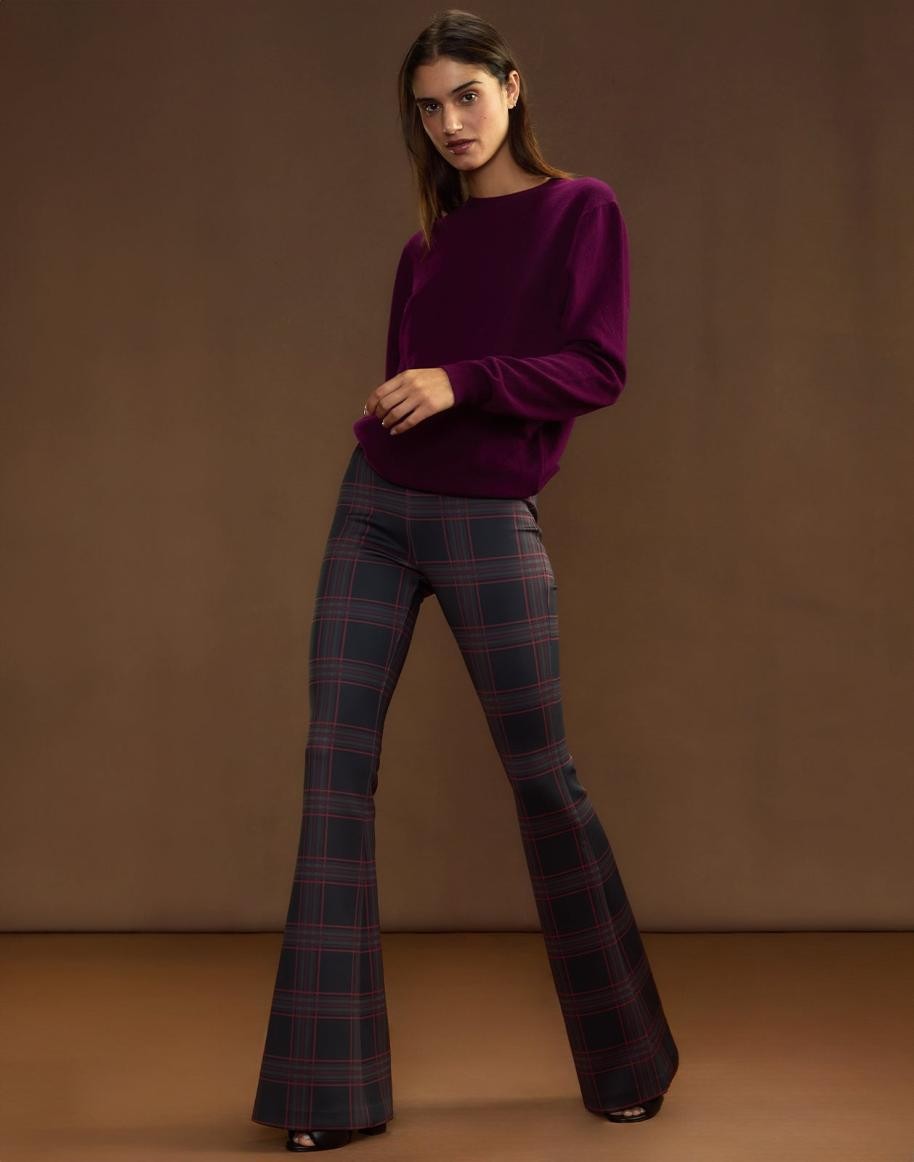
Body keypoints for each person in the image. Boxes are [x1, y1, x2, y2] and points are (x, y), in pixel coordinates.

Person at [251, 10, 680, 1153]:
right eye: (429, 107)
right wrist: (407, 393)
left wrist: (459, 380)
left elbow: (596, 366)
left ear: (511, 87)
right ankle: (325, 1094)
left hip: (487, 519)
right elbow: (411, 379)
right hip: (373, 508)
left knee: (542, 779)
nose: (449, 123)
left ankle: (627, 1059)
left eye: (466, 97)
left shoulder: (581, 210)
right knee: (332, 774)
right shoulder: (424, 248)